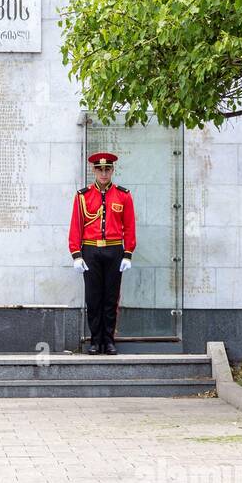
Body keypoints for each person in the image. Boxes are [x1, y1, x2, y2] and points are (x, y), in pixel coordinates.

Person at [68, 152, 136, 354]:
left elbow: (130, 226)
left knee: (111, 298)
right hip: (90, 250)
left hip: (114, 249)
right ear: (94, 171)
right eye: (100, 169)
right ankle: (95, 341)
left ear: (113, 170)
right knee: (93, 297)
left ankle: (109, 340)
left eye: (107, 169)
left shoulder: (123, 195)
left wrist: (128, 252)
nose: (104, 174)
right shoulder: (83, 196)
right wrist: (76, 254)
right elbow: (75, 226)